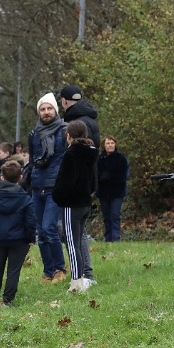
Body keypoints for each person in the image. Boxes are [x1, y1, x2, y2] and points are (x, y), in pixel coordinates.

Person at [60, 84, 100, 282]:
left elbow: (76, 164)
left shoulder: (76, 123)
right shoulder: (90, 119)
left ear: (64, 101)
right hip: (86, 188)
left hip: (74, 193)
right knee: (80, 233)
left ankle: (80, 277)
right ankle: (87, 274)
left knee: (71, 235)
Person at [53, 121, 98, 293]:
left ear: (69, 135)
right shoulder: (91, 153)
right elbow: (94, 181)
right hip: (85, 202)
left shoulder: (70, 154)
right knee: (79, 242)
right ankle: (84, 277)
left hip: (71, 205)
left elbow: (65, 182)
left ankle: (76, 283)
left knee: (72, 245)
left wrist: (57, 196)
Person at [0, 159, 36, 306]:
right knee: (14, 270)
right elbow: (30, 221)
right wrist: (29, 238)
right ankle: (8, 300)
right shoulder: (25, 198)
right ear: (20, 177)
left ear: (2, 177)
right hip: (19, 239)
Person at [28, 93, 68, 283]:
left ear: (55, 110)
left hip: (55, 186)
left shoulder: (64, 130)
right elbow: (32, 160)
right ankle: (48, 271)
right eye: (42, 109)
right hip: (37, 186)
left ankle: (60, 269)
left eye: (49, 108)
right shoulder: (34, 134)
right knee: (41, 233)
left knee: (49, 228)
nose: (46, 112)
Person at [97, 136, 130, 242]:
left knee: (115, 216)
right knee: (106, 216)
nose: (110, 145)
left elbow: (124, 176)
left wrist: (110, 177)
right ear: (104, 145)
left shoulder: (121, 159)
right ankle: (108, 239)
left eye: (112, 143)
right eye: (108, 143)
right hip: (103, 192)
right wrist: (101, 178)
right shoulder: (99, 159)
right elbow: (95, 175)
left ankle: (116, 239)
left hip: (117, 192)